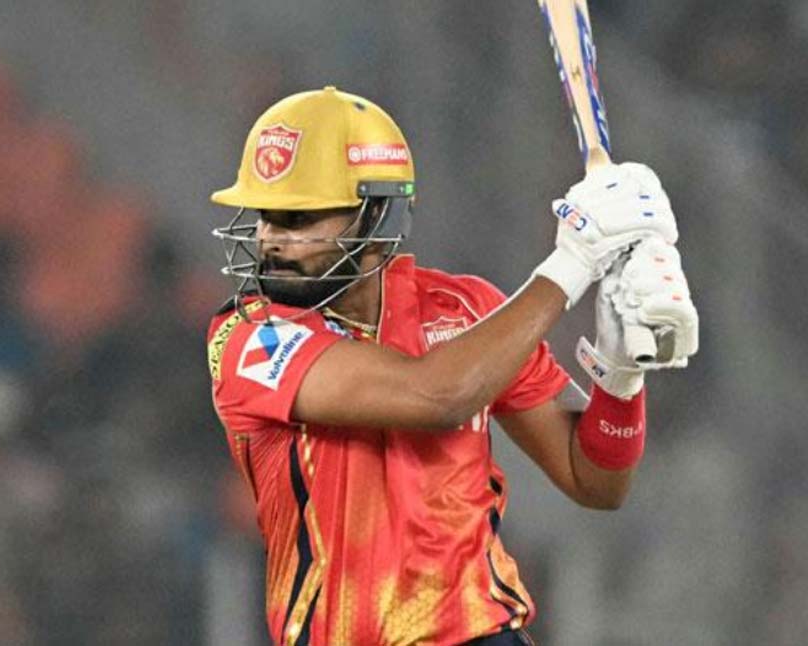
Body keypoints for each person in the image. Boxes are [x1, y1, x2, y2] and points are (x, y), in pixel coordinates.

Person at [205, 87, 698, 646]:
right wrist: (575, 261)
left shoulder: (468, 310)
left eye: (299, 219)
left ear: (377, 214)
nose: (271, 240)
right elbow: (437, 397)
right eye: (266, 217)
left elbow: (595, 482)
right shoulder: (247, 337)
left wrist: (621, 375)